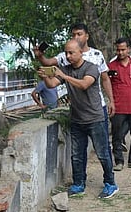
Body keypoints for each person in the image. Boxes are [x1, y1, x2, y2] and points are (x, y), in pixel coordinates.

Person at [39, 40, 118, 199]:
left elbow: (83, 84)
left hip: (95, 118)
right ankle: (78, 184)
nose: (68, 56)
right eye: (66, 53)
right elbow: (52, 84)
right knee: (76, 155)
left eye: (71, 53)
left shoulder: (91, 67)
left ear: (80, 52)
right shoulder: (66, 69)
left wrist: (64, 76)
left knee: (103, 153)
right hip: (77, 119)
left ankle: (110, 183)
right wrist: (45, 76)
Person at [35, 23, 114, 128]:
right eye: (73, 35)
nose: (76, 37)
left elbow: (105, 79)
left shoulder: (96, 55)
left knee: (102, 144)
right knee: (78, 144)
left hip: (97, 108)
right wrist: (40, 56)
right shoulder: (65, 56)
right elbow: (48, 63)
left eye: (79, 34)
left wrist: (111, 101)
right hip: (77, 111)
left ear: (87, 36)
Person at [107, 38, 131, 171]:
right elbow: (107, 85)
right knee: (117, 135)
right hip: (118, 106)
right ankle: (119, 161)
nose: (120, 52)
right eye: (118, 49)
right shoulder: (111, 66)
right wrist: (111, 102)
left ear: (129, 49)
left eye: (123, 49)